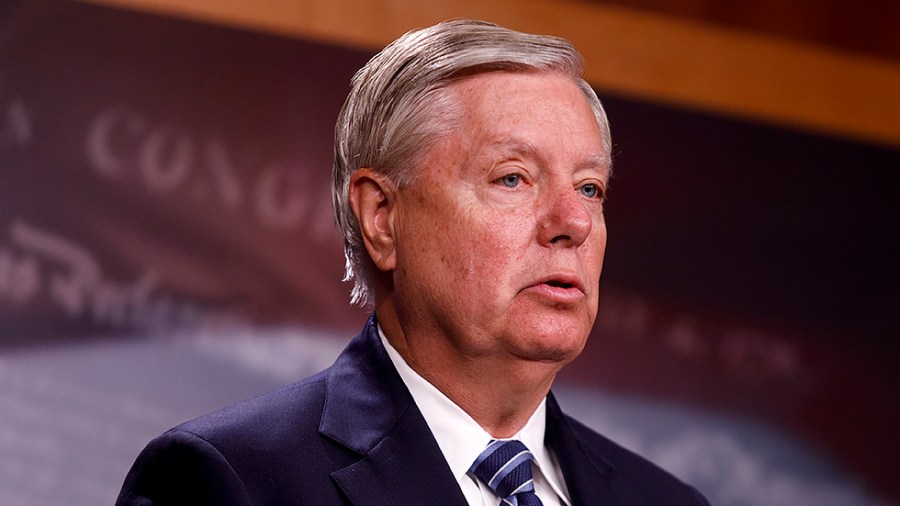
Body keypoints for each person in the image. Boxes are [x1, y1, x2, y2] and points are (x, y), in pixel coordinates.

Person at [116, 19, 709, 505]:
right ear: (382, 217)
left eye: (589, 188)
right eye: (512, 178)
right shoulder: (225, 482)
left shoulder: (667, 502)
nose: (573, 224)